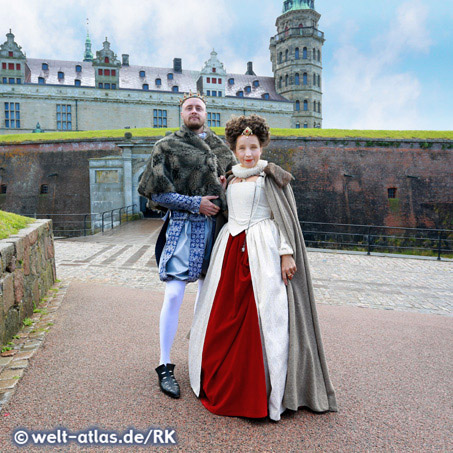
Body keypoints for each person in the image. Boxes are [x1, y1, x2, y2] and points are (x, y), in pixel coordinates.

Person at [188, 114, 337, 421]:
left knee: (265, 318)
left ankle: (265, 390)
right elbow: (224, 213)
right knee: (223, 315)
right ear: (234, 148)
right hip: (229, 251)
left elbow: (284, 219)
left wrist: (286, 253)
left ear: (262, 145)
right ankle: (222, 377)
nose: (248, 154)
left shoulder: (272, 176)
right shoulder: (229, 177)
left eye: (253, 147)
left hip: (263, 251)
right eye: (242, 147)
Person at [138, 93, 236, 399]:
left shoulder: (223, 149)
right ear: (181, 113)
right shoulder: (165, 147)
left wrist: (226, 188)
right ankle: (164, 363)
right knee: (174, 294)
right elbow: (156, 194)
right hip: (182, 228)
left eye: (199, 108)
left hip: (217, 231)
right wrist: (196, 203)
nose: (194, 111)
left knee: (206, 298)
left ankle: (200, 357)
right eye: (189, 108)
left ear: (207, 114)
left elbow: (239, 188)